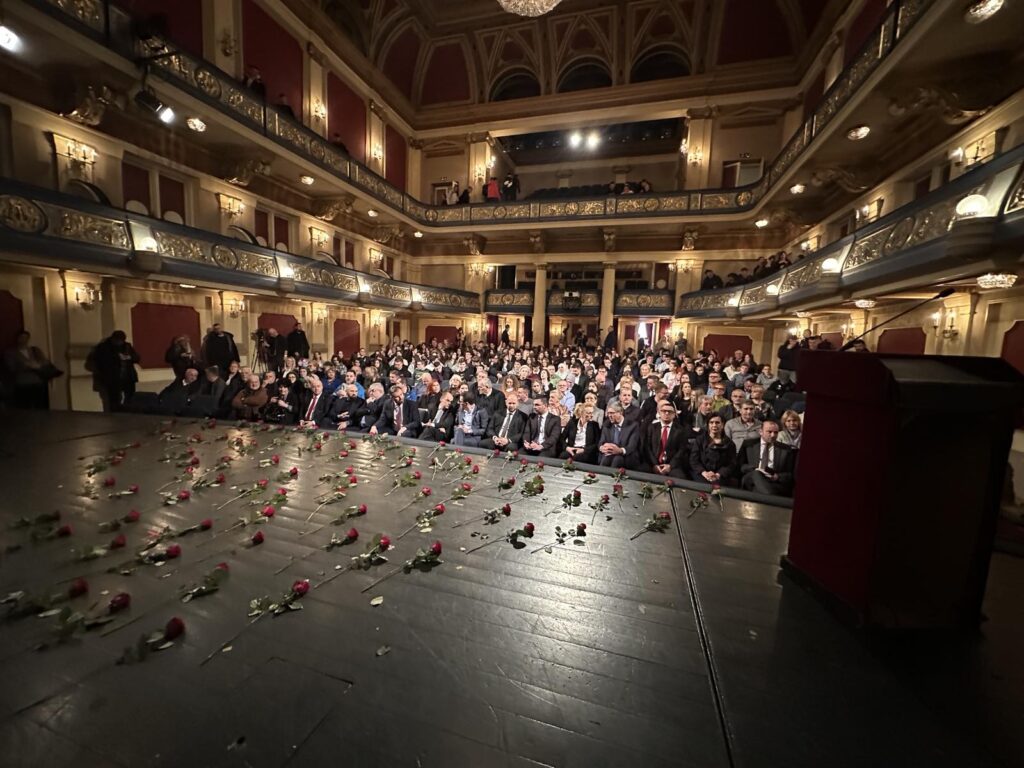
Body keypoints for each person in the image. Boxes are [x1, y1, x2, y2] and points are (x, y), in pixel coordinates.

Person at [3, 330, 59, 409]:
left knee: (39, 407)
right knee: (24, 407)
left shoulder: (35, 350)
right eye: (21, 337)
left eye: (26, 338)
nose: (23, 340)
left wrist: (38, 365)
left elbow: (45, 362)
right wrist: (26, 365)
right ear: (17, 338)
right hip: (22, 384)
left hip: (38, 382)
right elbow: (11, 367)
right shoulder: (11, 352)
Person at [738, 420, 796, 496]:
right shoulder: (748, 445)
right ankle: (770, 497)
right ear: (760, 432)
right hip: (752, 477)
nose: (773, 435)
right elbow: (741, 466)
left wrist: (777, 477)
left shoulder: (785, 449)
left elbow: (789, 474)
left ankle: (767, 497)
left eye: (776, 432)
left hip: (773, 482)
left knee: (757, 490)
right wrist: (756, 469)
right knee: (756, 474)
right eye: (769, 432)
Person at [86, 330, 139, 412]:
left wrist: (129, 357)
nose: (120, 343)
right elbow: (97, 362)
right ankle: (115, 415)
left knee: (130, 398)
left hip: (128, 377)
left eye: (122, 341)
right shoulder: (103, 347)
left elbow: (137, 358)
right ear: (113, 339)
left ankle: (127, 413)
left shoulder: (127, 346)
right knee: (114, 401)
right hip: (111, 379)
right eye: (118, 341)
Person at [641, 401, 689, 478]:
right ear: (659, 413)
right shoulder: (651, 427)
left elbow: (681, 451)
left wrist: (670, 466)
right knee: (640, 471)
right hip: (653, 463)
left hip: (671, 465)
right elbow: (647, 448)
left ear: (674, 415)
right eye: (664, 411)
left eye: (670, 412)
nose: (666, 413)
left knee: (680, 477)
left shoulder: (681, 430)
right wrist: (654, 464)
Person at [689, 415, 737, 487]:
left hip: (720, 475)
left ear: (722, 425)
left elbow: (731, 464)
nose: (714, 425)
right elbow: (693, 460)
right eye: (711, 422)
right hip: (701, 473)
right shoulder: (700, 440)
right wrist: (704, 473)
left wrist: (718, 474)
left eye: (717, 422)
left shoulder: (730, 444)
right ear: (708, 425)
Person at [597, 402, 639, 468]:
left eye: (612, 413)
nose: (609, 416)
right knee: (606, 458)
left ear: (620, 413)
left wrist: (619, 450)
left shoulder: (633, 425)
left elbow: (632, 446)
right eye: (608, 413)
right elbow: (601, 442)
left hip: (626, 455)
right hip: (609, 454)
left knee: (617, 459)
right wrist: (602, 448)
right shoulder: (607, 425)